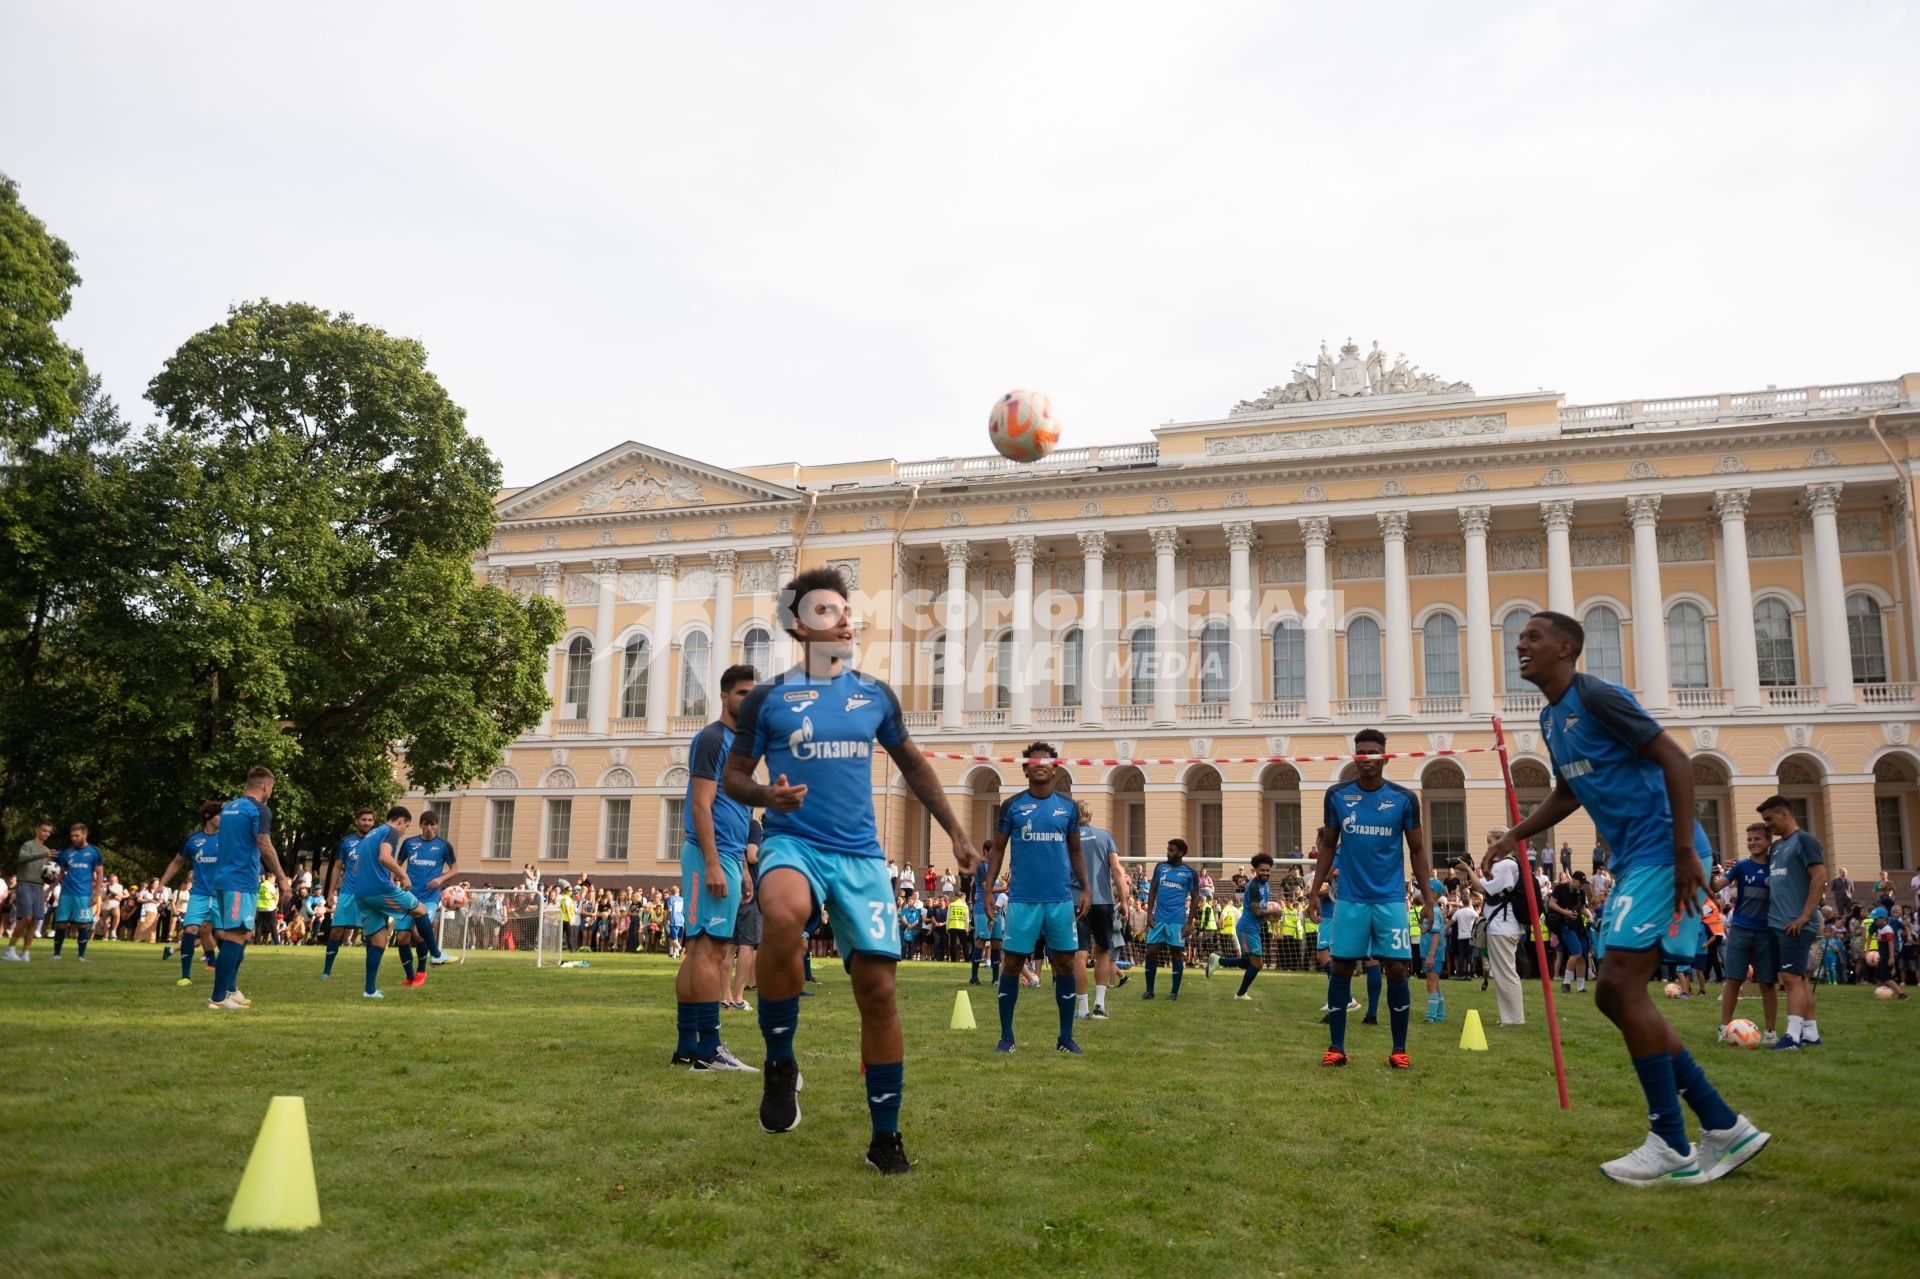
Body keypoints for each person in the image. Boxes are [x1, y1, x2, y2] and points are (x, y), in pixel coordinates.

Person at [1490, 611, 1766, 1185]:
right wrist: (1515, 836)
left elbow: (1674, 758)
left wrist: (1688, 852)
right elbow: (1570, 793)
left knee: (1617, 984)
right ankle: (1721, 1125)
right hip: (1638, 859)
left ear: (1567, 647)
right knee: (1613, 995)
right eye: (1519, 636)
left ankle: (1671, 1141)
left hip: (1665, 853)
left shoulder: (1596, 695)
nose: (1521, 644)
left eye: (1533, 636)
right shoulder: (1550, 717)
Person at [721, 566, 977, 1174]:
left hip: (860, 856)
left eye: (847, 610)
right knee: (781, 916)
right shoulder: (770, 697)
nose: (846, 620)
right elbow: (733, 777)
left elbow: (915, 767)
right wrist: (767, 799)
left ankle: (884, 1137)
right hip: (794, 842)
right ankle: (780, 1060)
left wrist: (958, 833)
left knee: (880, 992)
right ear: (799, 626)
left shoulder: (875, 695)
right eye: (829, 611)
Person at [1309, 729, 1435, 1070]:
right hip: (1350, 900)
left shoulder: (1404, 799)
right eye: (1361, 753)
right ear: (1355, 757)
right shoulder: (1337, 796)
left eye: (1373, 753)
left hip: (1390, 900)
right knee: (1342, 967)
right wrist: (1313, 890)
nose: (1367, 758)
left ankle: (1399, 1050)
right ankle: (1336, 1047)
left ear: (1385, 757)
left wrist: (1428, 898)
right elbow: (1329, 847)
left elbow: (1418, 849)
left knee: (1397, 968)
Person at [673, 664, 761, 1070]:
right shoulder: (712, 738)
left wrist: (741, 866)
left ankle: (687, 1047)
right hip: (708, 855)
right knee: (709, 952)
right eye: (743, 694)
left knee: (701, 952)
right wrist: (711, 863)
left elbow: (737, 811)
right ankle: (709, 1051)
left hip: (726, 856)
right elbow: (700, 803)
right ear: (724, 697)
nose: (749, 701)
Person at [982, 742, 1088, 1054]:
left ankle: (1065, 1038)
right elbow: (998, 849)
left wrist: (1087, 888)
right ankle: (1006, 1037)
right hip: (1023, 900)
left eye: (1046, 761)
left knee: (1066, 964)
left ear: (1055, 767)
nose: (1040, 765)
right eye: (1033, 761)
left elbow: (1076, 851)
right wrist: (988, 889)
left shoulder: (1068, 808)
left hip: (1059, 900)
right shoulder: (1012, 806)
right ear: (1026, 768)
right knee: (1012, 963)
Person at [206, 768, 293, 1010]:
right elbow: (264, 844)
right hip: (240, 880)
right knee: (236, 936)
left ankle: (231, 990)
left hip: (224, 879)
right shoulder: (259, 809)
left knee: (242, 934)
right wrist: (283, 879)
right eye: (272, 788)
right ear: (266, 786)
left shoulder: (230, 807)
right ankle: (218, 998)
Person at [345, 805, 440, 997]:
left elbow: (355, 869)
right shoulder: (391, 832)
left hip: (361, 893)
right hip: (379, 889)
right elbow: (384, 857)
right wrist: (403, 875)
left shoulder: (371, 835)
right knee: (420, 909)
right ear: (400, 821)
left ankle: (369, 990)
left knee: (379, 940)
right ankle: (436, 955)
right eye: (406, 826)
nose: (404, 831)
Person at [1759, 795, 1828, 1049]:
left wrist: (1805, 915)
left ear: (1784, 814)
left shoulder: (1805, 840)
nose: (1767, 825)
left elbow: (1820, 876)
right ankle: (1810, 1033)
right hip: (1779, 923)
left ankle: (1791, 1037)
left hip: (1795, 924)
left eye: (1769, 819)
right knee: (1799, 979)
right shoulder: (1777, 847)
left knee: (1789, 978)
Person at [1715, 823, 1779, 1044]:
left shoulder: (1777, 867)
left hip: (1766, 932)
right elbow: (1714, 887)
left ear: (1768, 841)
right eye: (1749, 839)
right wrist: (1709, 873)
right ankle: (1724, 1029)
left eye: (1757, 839)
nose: (1752, 843)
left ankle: (1770, 1032)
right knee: (1733, 979)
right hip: (1740, 929)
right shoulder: (1741, 867)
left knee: (1767, 983)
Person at [156, 802, 223, 985]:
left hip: (221, 894)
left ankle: (217, 965)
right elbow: (177, 862)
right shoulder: (193, 840)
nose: (223, 818)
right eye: (219, 815)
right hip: (199, 894)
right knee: (191, 929)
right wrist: (162, 883)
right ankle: (185, 976)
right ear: (208, 816)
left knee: (212, 931)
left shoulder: (227, 839)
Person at [1071, 801, 1127, 1019]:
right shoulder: (1105, 837)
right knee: (1103, 951)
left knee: (1079, 955)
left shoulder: (1069, 838)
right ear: (1090, 815)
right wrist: (1123, 900)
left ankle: (1083, 1009)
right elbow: (1117, 870)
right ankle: (1100, 1006)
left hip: (1076, 900)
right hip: (1103, 900)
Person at [1209, 852, 1278, 1000]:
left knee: (1248, 962)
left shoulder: (1266, 885)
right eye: (1262, 870)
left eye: (1268, 870)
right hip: (1247, 929)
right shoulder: (1253, 886)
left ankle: (1218, 961)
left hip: (1252, 928)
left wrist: (1269, 918)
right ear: (1255, 870)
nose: (1265, 873)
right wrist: (1274, 911)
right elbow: (1256, 911)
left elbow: (1260, 912)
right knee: (1258, 964)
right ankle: (1240, 994)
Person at [396, 811, 458, 974]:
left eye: (433, 824)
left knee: (418, 933)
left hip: (429, 898)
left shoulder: (444, 846)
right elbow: (396, 864)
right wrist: (396, 879)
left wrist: (440, 879)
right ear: (421, 825)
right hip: (408, 896)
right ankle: (410, 976)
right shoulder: (409, 843)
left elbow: (455, 869)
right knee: (402, 937)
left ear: (437, 825)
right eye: (426, 824)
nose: (429, 828)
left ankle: (422, 970)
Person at [321, 810, 378, 979]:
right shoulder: (346, 841)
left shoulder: (377, 841)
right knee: (336, 931)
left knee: (371, 934)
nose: (367, 823)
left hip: (369, 894)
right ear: (356, 822)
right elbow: (337, 867)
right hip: (347, 892)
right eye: (363, 820)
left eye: (370, 820)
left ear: (373, 822)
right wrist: (331, 892)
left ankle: (369, 976)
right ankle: (326, 971)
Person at [1142, 839, 1199, 1001]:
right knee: (1150, 952)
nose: (1168, 853)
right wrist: (1149, 914)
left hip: (1177, 921)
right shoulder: (1160, 867)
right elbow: (1153, 889)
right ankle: (1149, 991)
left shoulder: (1189, 873)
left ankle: (1174, 993)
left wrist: (1189, 922)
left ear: (1181, 853)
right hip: (1158, 919)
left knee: (1176, 955)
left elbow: (1195, 898)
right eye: (1168, 849)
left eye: (1172, 850)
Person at [49, 824, 104, 961]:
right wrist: (48, 890)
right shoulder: (66, 853)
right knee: (60, 923)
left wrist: (96, 895)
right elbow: (60, 875)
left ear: (84, 835)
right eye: (72, 836)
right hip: (66, 893)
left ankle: (81, 956)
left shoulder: (94, 852)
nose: (73, 838)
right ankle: (56, 954)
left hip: (84, 894)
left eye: (77, 836)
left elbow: (100, 874)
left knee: (83, 924)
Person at [4, 819, 56, 962]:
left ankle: (25, 952)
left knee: (34, 921)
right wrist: (41, 855)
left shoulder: (47, 850)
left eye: (49, 832)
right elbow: (21, 858)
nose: (46, 834)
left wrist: (53, 877)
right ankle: (9, 949)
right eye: (44, 830)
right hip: (24, 884)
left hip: (39, 887)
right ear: (37, 829)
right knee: (26, 917)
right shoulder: (28, 845)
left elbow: (46, 872)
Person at [728, 823, 763, 1010]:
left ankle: (726, 997)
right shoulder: (753, 826)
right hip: (751, 895)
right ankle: (738, 998)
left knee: (729, 947)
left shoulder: (735, 826)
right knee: (748, 946)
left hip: (735, 891)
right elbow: (752, 855)